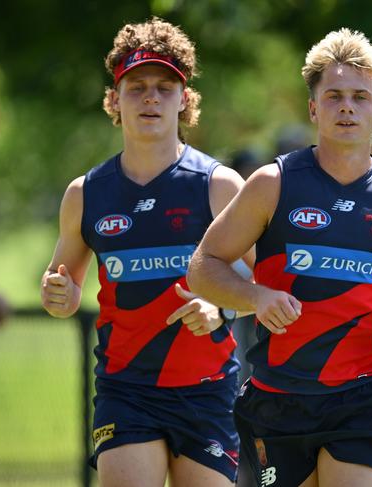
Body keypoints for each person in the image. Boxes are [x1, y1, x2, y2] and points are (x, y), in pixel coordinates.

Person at [186, 28, 372, 487]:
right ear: (314, 107)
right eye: (333, 96)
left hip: (362, 397)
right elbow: (203, 266)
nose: (347, 107)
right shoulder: (272, 184)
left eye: (360, 96)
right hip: (279, 398)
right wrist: (255, 296)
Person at [40, 18, 248, 487]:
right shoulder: (86, 193)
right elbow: (65, 287)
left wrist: (220, 306)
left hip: (207, 390)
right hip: (126, 389)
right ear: (114, 100)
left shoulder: (219, 186)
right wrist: (58, 295)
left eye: (164, 86)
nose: (151, 97)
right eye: (136, 87)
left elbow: (267, 286)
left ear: (185, 100)